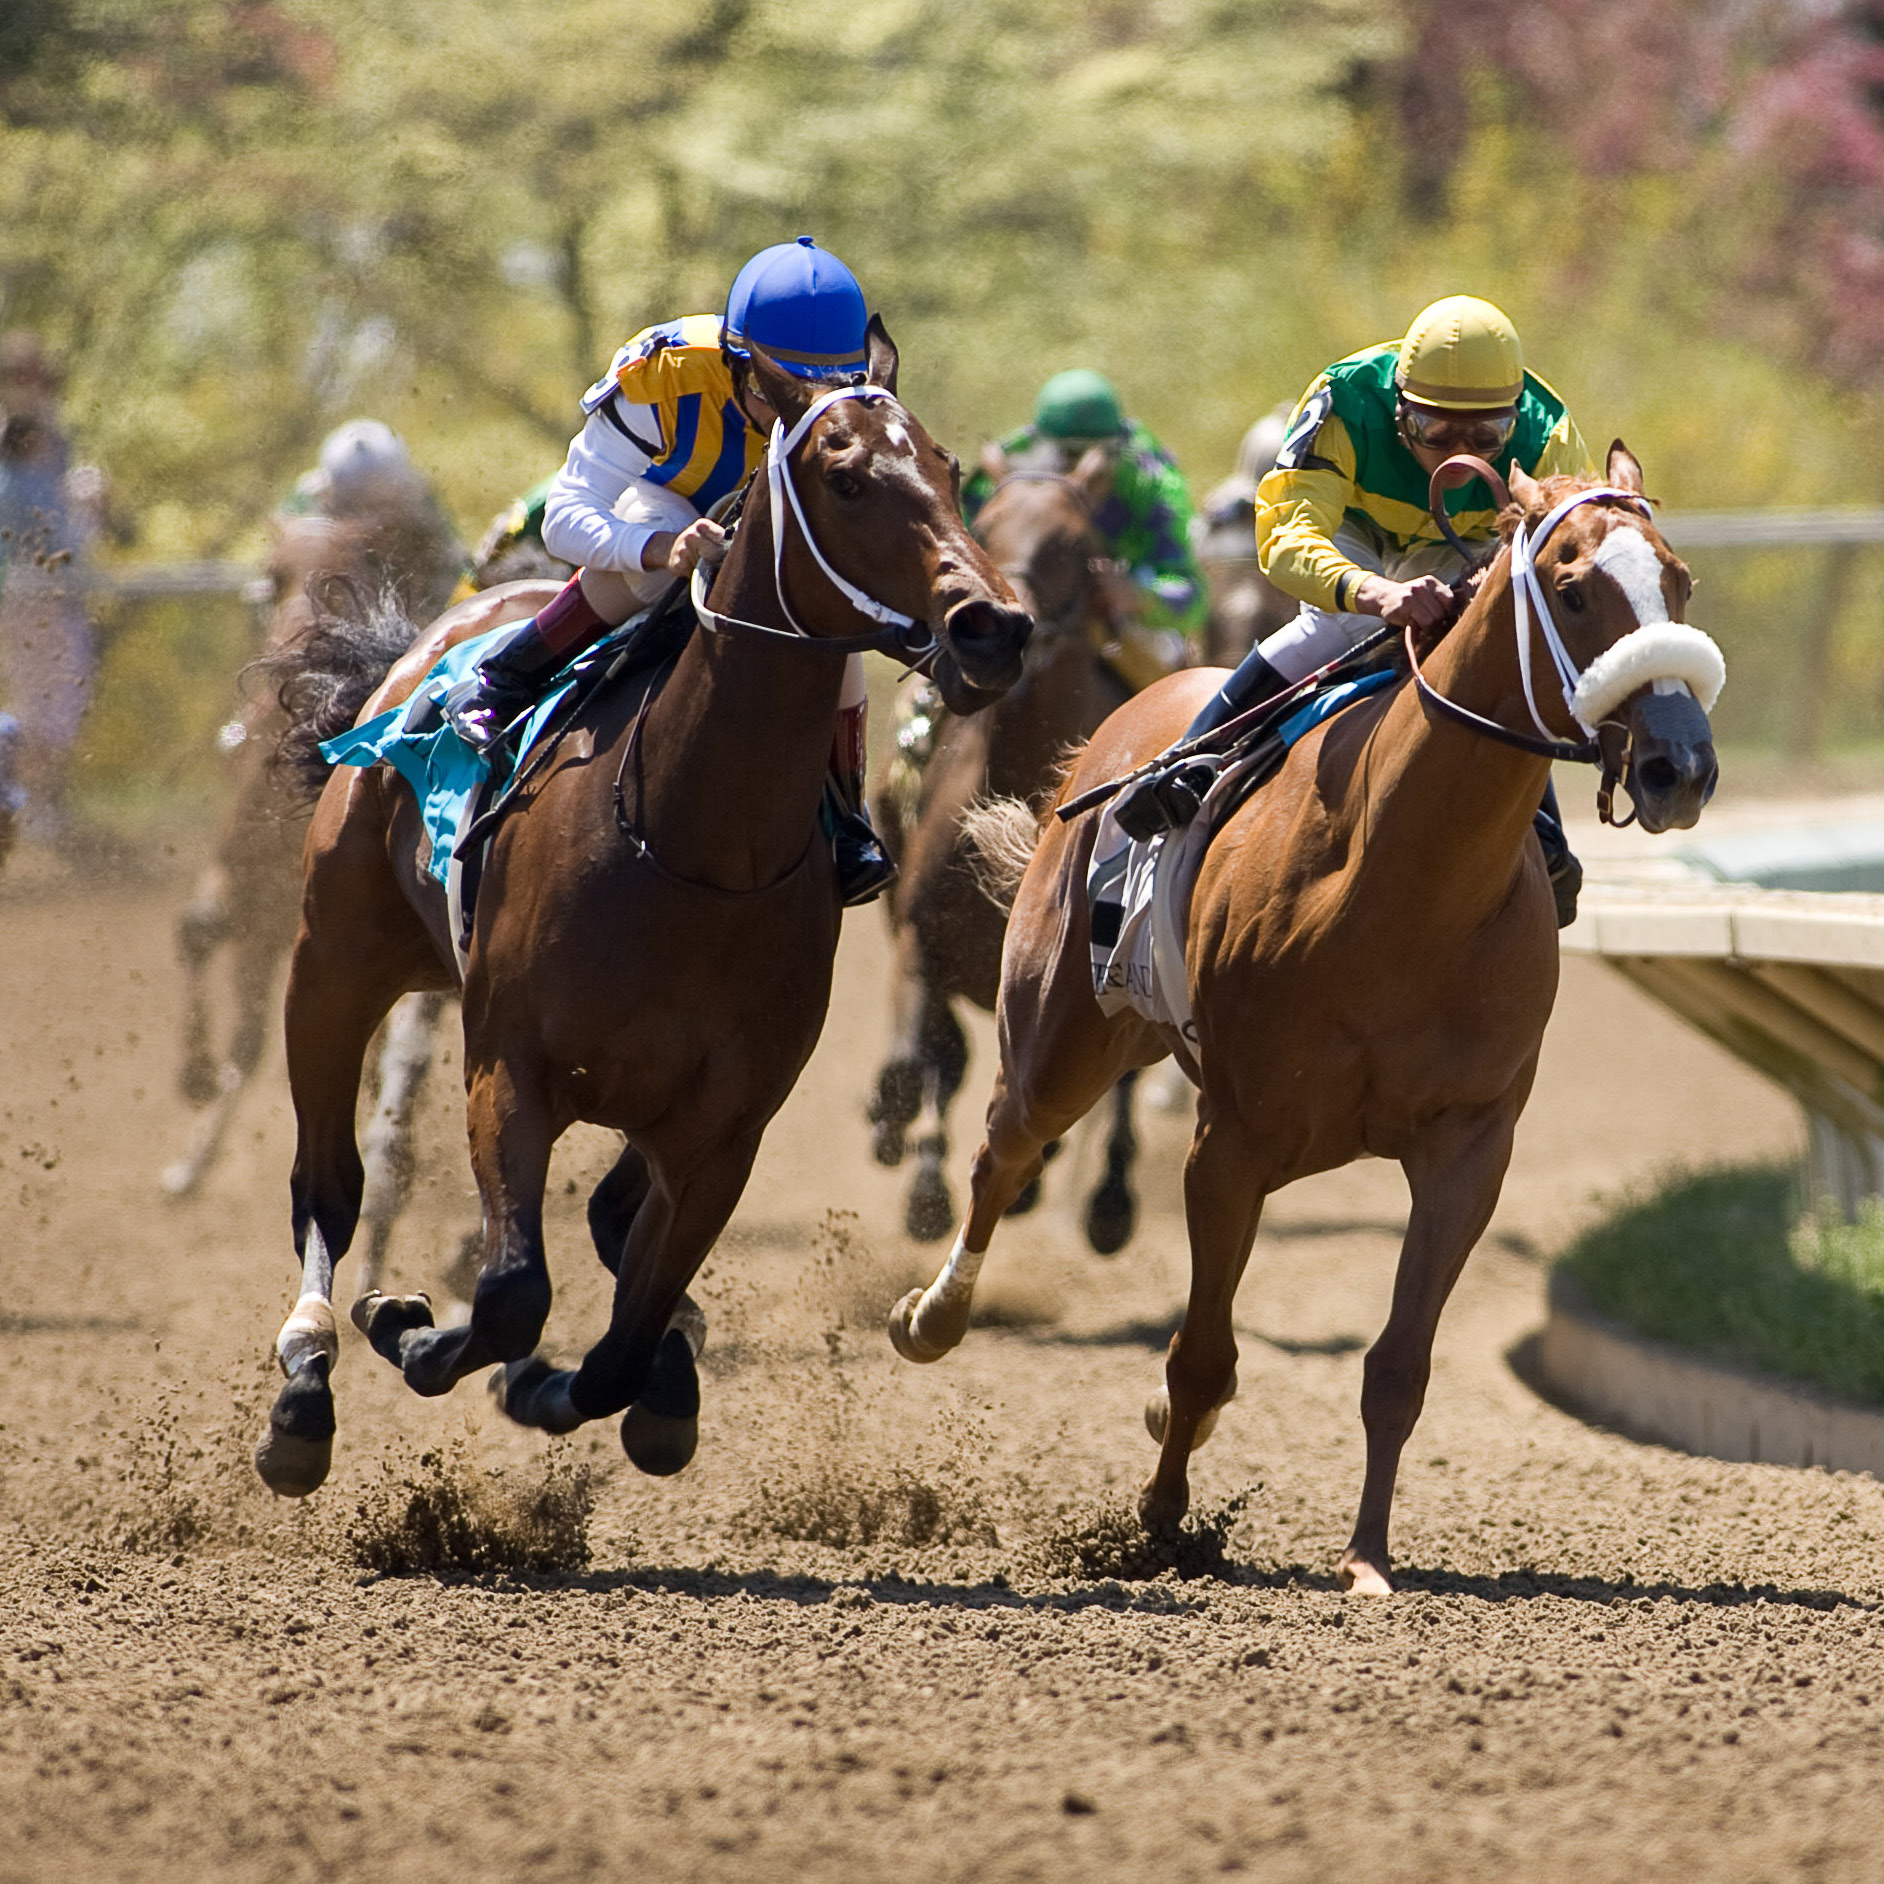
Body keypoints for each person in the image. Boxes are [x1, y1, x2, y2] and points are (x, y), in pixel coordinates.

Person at [440, 236, 896, 906]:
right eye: (783, 391)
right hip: (661, 512)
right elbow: (566, 514)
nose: (802, 413)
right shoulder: (665, 373)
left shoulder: (857, 399)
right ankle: (506, 676)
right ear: (739, 365)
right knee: (647, 534)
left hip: (760, 538)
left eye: (826, 390)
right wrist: (661, 548)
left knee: (830, 618)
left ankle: (848, 817)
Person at [1114, 295, 1594, 924]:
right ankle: (1189, 760)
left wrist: (1490, 590)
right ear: (1398, 410)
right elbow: (1286, 537)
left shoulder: (1548, 429)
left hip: (1475, 544)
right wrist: (1377, 591)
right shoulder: (1344, 401)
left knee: (1490, 648)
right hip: (1352, 531)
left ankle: (1545, 830)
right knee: (1341, 623)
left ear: (1513, 418)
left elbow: (1574, 546)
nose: (1455, 453)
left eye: (1485, 436)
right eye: (1433, 432)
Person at [962, 367, 1208, 669]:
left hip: (1123, 616)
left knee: (1168, 657)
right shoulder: (1001, 475)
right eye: (1068, 456)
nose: (1086, 471)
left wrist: (1136, 595)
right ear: (1042, 447)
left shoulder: (1152, 481)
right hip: (1021, 608)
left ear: (1118, 450)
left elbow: (1192, 598)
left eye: (1099, 455)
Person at [0, 332, 106, 845]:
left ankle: (35, 805)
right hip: (33, 599)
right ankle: (32, 806)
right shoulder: (16, 477)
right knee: (49, 710)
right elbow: (55, 541)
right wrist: (90, 515)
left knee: (55, 709)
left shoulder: (42, 459)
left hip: (47, 600)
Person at [282, 419, 468, 624]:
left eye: (377, 505)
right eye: (356, 505)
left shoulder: (421, 509)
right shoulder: (307, 508)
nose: (369, 522)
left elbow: (456, 573)